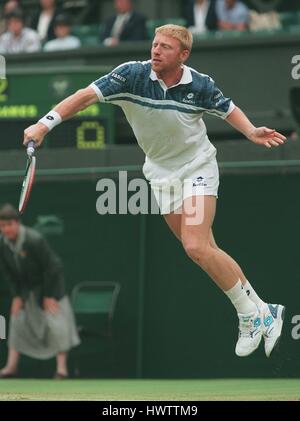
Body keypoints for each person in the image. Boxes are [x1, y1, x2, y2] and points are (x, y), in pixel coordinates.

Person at [23, 24, 286, 358]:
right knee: (205, 250)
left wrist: (250, 132)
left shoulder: (201, 85)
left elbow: (228, 109)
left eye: (165, 46)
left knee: (195, 245)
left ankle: (248, 314)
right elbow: (84, 97)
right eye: (155, 44)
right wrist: (44, 124)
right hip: (161, 176)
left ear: (183, 54)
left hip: (197, 168)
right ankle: (265, 310)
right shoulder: (130, 76)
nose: (156, 50)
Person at [0, 204, 80, 378]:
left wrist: (49, 295)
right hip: (28, 292)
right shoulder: (3, 244)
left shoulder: (34, 240)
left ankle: (61, 370)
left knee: (57, 323)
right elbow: (9, 273)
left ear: (17, 223)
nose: (5, 229)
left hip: (52, 290)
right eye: (2, 226)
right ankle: (11, 367)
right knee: (16, 320)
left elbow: (54, 267)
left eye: (8, 225)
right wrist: (17, 296)